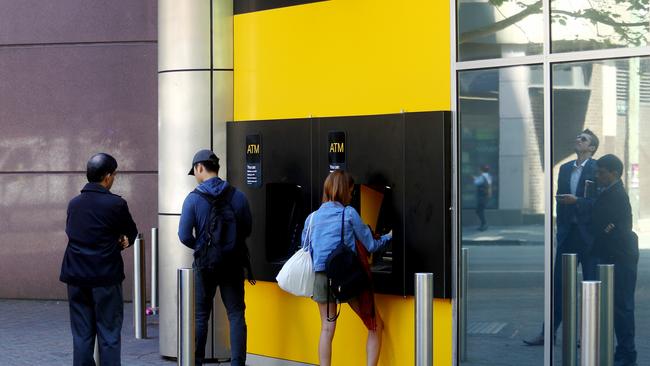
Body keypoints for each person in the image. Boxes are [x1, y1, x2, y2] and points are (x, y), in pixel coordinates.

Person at [303, 170, 392, 366]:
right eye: (351, 191)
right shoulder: (348, 212)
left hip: (320, 278)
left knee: (326, 328)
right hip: (346, 277)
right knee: (375, 325)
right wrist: (390, 236)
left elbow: (306, 249)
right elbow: (371, 246)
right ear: (345, 190)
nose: (352, 195)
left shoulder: (312, 218)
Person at [60, 153, 139, 366]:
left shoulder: (74, 204)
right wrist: (123, 241)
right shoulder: (115, 204)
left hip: (75, 276)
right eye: (114, 174)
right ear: (107, 176)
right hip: (105, 277)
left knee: (82, 335)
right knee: (109, 335)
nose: (113, 178)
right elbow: (131, 231)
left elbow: (72, 232)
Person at [524, 129, 600, 346]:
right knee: (559, 286)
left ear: (591, 148)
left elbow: (598, 203)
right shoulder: (565, 169)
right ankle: (547, 333)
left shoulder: (597, 169)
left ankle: (587, 335)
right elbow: (560, 200)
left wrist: (577, 201)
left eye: (583, 139)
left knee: (590, 286)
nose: (578, 139)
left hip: (589, 237)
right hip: (568, 235)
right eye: (577, 137)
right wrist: (560, 229)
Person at [178, 149, 253, 366]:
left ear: (199, 168)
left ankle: (196, 362)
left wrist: (202, 247)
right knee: (236, 314)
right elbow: (247, 229)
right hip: (233, 263)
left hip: (205, 265)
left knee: (201, 316)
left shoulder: (192, 199)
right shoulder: (238, 196)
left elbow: (184, 235)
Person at [591, 154, 638, 366]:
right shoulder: (606, 191)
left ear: (614, 174)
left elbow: (614, 227)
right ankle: (622, 352)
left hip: (621, 257)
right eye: (597, 172)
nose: (598, 176)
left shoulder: (617, 194)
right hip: (612, 255)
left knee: (622, 307)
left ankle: (627, 355)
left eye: (602, 173)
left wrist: (605, 230)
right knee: (616, 307)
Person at [473, 165, 492, 231]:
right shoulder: (489, 176)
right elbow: (489, 185)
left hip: (481, 196)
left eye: (479, 170)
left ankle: (484, 224)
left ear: (481, 170)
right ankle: (483, 224)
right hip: (486, 196)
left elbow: (476, 183)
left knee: (479, 211)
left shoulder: (482, 177)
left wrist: (475, 178)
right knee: (480, 210)